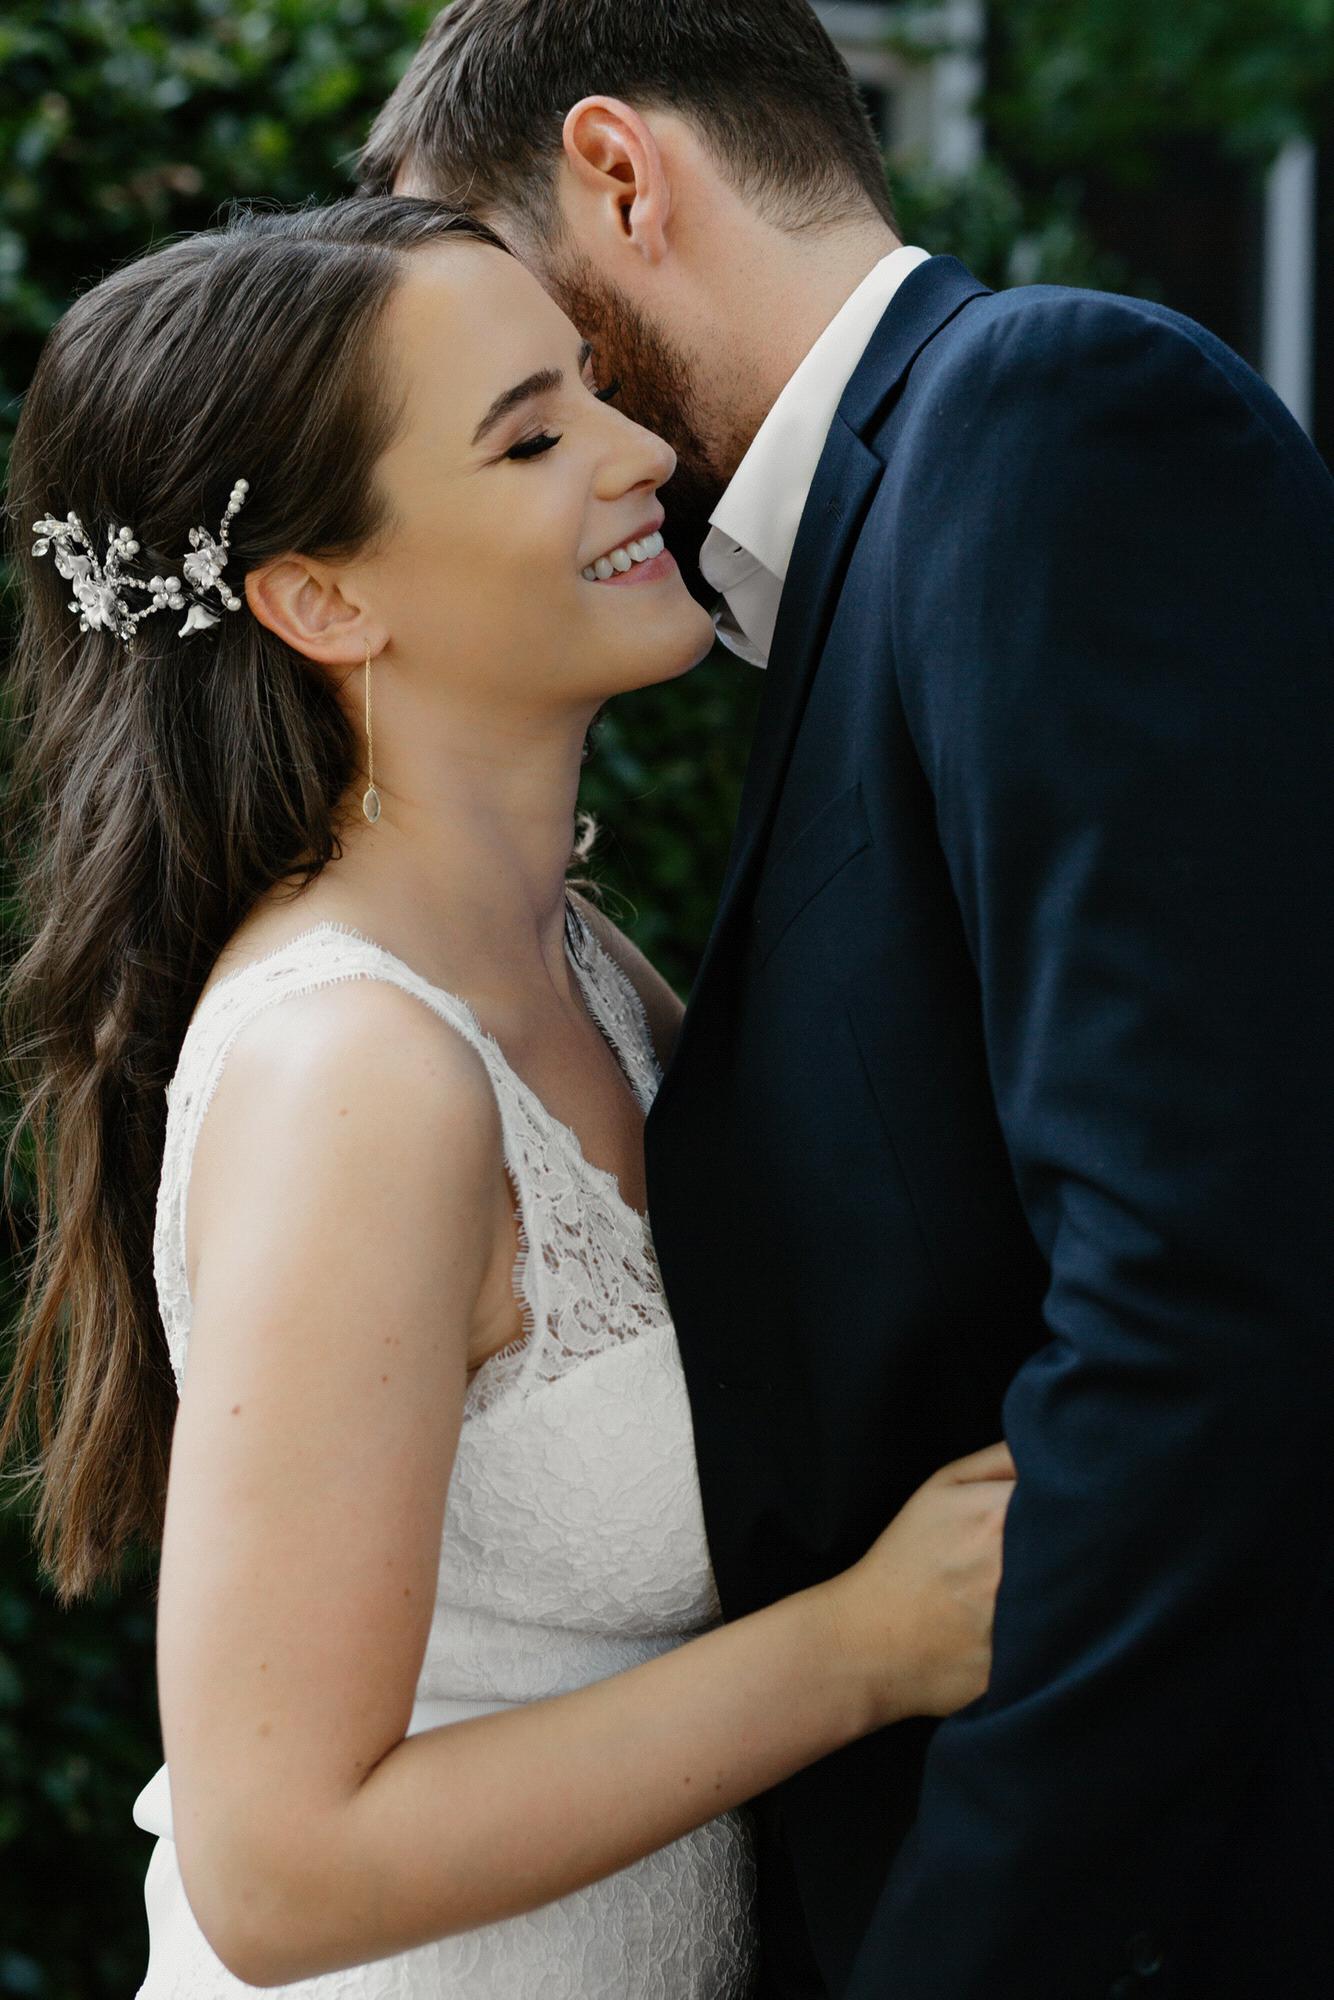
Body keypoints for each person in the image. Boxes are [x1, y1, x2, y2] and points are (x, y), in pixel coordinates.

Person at [358, 1, 1334, 1995]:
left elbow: (1197, 1291)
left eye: (505, 306)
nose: (531, 395)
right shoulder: (866, 545)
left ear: (618, 174)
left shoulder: (1044, 422)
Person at [0, 195, 1015, 1998]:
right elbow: (277, 1869)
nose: (643, 454)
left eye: (594, 390)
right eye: (532, 439)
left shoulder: (574, 964)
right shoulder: (357, 1075)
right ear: (324, 600)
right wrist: (866, 1649)